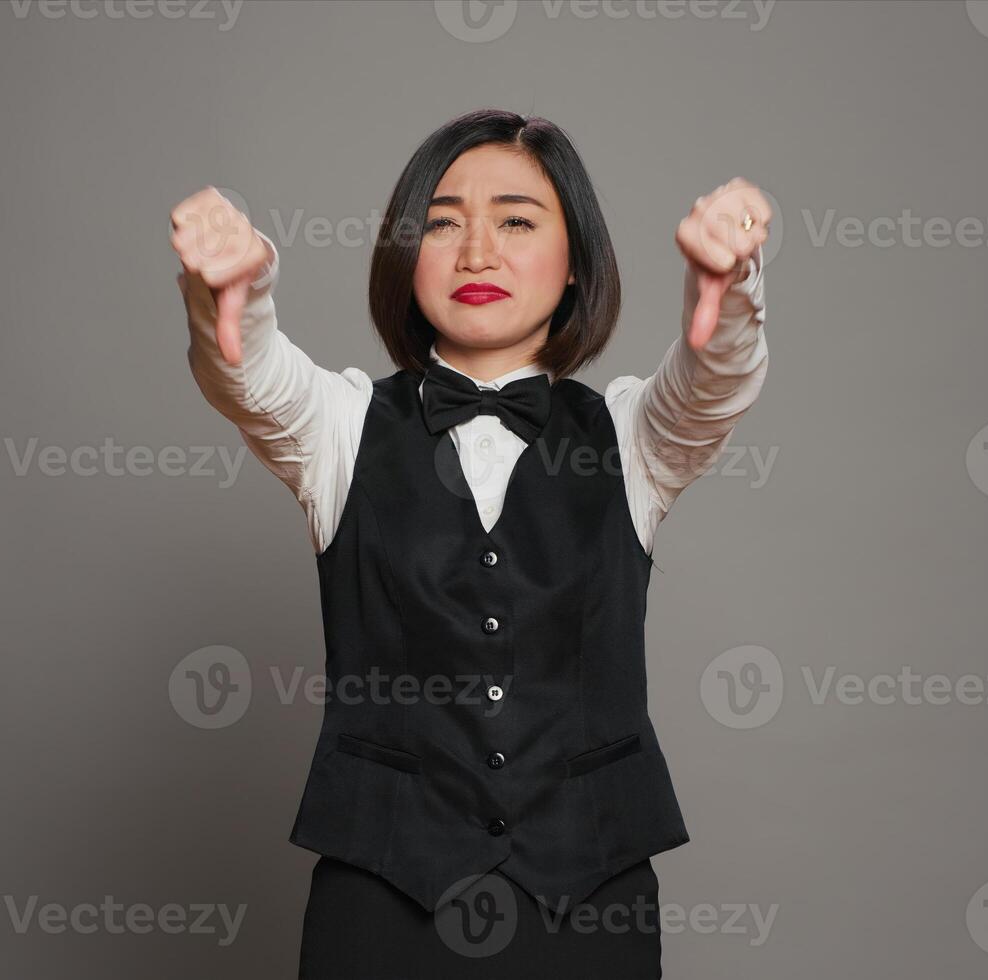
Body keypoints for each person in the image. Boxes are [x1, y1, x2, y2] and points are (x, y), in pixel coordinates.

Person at [170, 109, 770, 979]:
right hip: (379, 899)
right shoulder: (339, 427)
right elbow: (247, 371)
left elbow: (714, 381)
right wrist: (225, 289)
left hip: (588, 900)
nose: (476, 252)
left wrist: (733, 278)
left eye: (518, 221)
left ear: (575, 265)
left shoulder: (634, 435)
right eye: (441, 223)